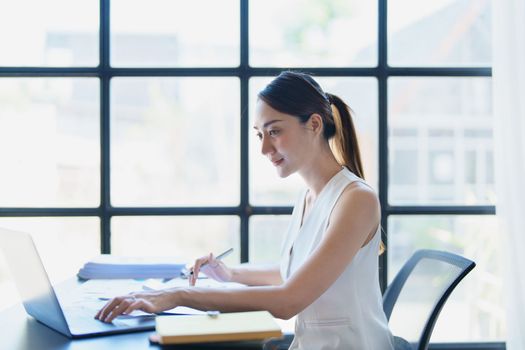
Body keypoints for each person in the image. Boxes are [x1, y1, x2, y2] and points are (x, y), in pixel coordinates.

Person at [95, 71, 395, 350]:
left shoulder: (356, 199)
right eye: (259, 135)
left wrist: (176, 296)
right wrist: (230, 273)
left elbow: (289, 300)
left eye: (274, 131)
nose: (265, 148)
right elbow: (294, 273)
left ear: (314, 124)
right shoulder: (310, 196)